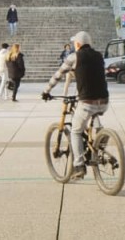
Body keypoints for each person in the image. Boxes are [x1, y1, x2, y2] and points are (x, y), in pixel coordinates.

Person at [42, 31, 109, 165]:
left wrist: (46, 91)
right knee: (93, 114)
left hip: (87, 101)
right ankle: (100, 135)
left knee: (76, 131)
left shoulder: (74, 57)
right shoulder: (99, 56)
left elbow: (58, 75)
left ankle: (78, 165)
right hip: (104, 100)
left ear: (77, 44)